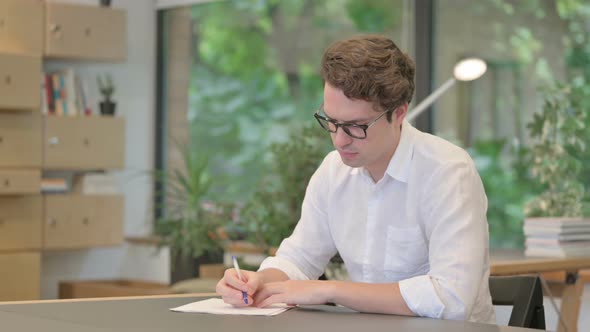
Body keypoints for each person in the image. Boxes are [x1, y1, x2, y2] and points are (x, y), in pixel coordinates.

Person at [216, 34, 495, 323]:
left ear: (398, 113)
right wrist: (258, 283)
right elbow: (299, 258)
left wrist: (331, 291)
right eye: (331, 122)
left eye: (356, 127)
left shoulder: (447, 172)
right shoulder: (333, 172)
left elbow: (451, 299)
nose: (339, 141)